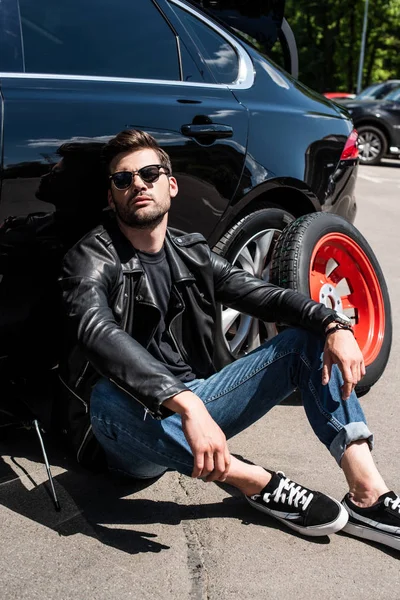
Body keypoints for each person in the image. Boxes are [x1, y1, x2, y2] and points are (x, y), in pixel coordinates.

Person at [59, 129, 400, 551]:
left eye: (149, 173)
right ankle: (256, 482)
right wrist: (185, 403)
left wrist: (334, 324)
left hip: (199, 406)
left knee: (307, 340)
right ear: (112, 197)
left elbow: (264, 294)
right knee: (107, 396)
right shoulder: (90, 257)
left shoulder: (192, 251)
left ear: (171, 184)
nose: (138, 184)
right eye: (123, 179)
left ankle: (368, 497)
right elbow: (97, 331)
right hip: (129, 432)